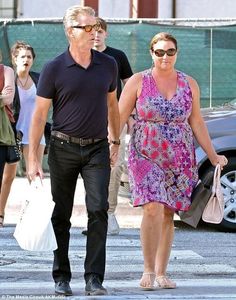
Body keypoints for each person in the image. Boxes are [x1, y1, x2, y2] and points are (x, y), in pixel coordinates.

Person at [118, 32, 228, 290]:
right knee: (152, 207)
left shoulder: (189, 83)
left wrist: (213, 156)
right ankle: (147, 269)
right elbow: (120, 116)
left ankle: (161, 272)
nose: (165, 57)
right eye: (159, 52)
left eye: (170, 51)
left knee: (168, 212)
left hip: (179, 155)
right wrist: (111, 146)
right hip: (145, 153)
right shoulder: (138, 81)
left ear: (176, 53)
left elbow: (197, 121)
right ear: (151, 53)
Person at [28, 5, 120, 297]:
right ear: (71, 31)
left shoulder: (108, 64)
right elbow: (40, 115)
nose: (94, 32)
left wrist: (115, 141)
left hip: (97, 150)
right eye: (88, 27)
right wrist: (32, 158)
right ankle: (61, 276)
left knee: (98, 210)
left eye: (96, 27)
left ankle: (94, 277)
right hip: (62, 148)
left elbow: (112, 106)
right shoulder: (55, 68)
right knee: (61, 215)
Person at [81, 17, 133, 235]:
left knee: (114, 165)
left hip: (116, 119)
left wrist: (131, 114)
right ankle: (93, 216)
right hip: (88, 120)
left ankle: (109, 214)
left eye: (101, 31)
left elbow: (129, 86)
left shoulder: (117, 56)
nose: (97, 34)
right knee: (88, 168)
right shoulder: (81, 55)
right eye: (92, 30)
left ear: (106, 34)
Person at [11, 41, 45, 175]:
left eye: (29, 57)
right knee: (8, 175)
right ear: (15, 59)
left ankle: (35, 195)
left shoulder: (39, 79)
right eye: (22, 57)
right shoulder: (9, 79)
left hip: (36, 131)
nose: (26, 60)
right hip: (14, 132)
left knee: (35, 171)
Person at [0, 63, 15, 227]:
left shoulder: (6, 71)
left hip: (2, 135)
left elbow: (8, 98)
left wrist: (3, 97)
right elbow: (2, 98)